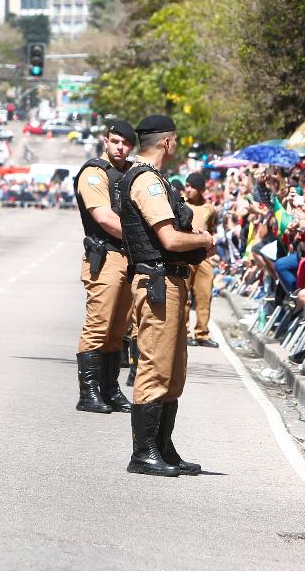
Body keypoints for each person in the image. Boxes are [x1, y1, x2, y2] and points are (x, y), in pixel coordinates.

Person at [118, 114, 214, 477]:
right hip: (157, 282)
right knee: (156, 366)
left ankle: (162, 446)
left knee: (173, 371)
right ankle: (143, 452)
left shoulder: (155, 179)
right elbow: (170, 240)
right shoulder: (146, 181)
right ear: (167, 143)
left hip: (171, 281)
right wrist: (203, 240)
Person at [73, 119, 138, 414]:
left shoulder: (131, 174)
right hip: (106, 256)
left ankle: (110, 389)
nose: (120, 147)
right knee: (98, 326)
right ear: (106, 141)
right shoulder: (95, 173)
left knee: (118, 330)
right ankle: (88, 392)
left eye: (125, 143)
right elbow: (104, 218)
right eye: (115, 141)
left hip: (129, 256)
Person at [183, 172, 220, 348]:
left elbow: (212, 228)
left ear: (200, 189)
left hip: (204, 256)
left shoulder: (209, 208)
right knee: (184, 295)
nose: (188, 189)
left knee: (205, 294)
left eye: (192, 186)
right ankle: (185, 332)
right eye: (187, 185)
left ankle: (202, 334)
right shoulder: (181, 203)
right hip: (185, 253)